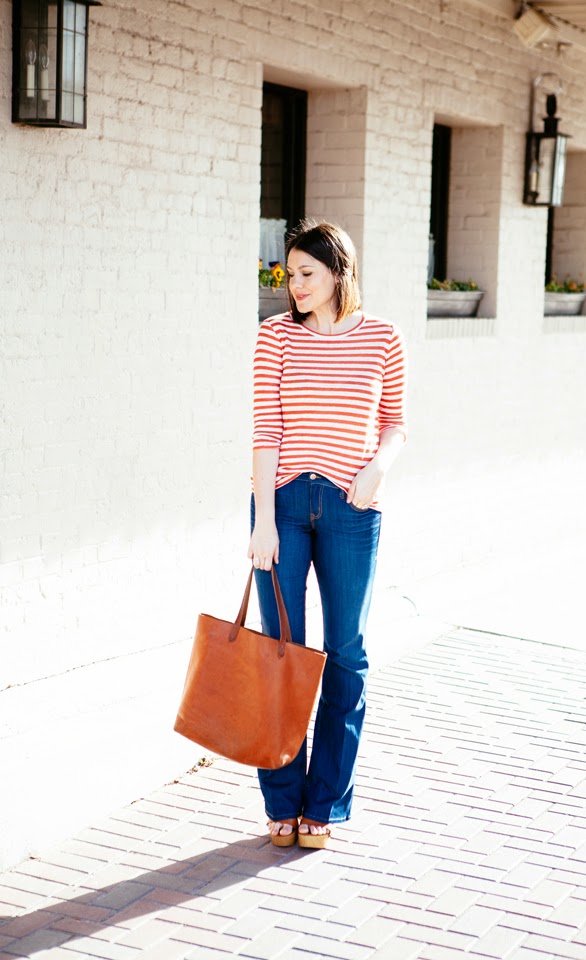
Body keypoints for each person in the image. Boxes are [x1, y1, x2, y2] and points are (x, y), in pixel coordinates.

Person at [248, 220, 407, 849]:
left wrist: (378, 468)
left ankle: (326, 802)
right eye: (289, 274)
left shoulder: (383, 338)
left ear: (340, 271)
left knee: (345, 652)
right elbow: (266, 429)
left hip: (351, 507)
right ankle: (282, 800)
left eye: (307, 273)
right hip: (284, 505)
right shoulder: (275, 336)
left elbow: (395, 423)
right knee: (280, 650)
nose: (295, 284)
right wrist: (263, 521)